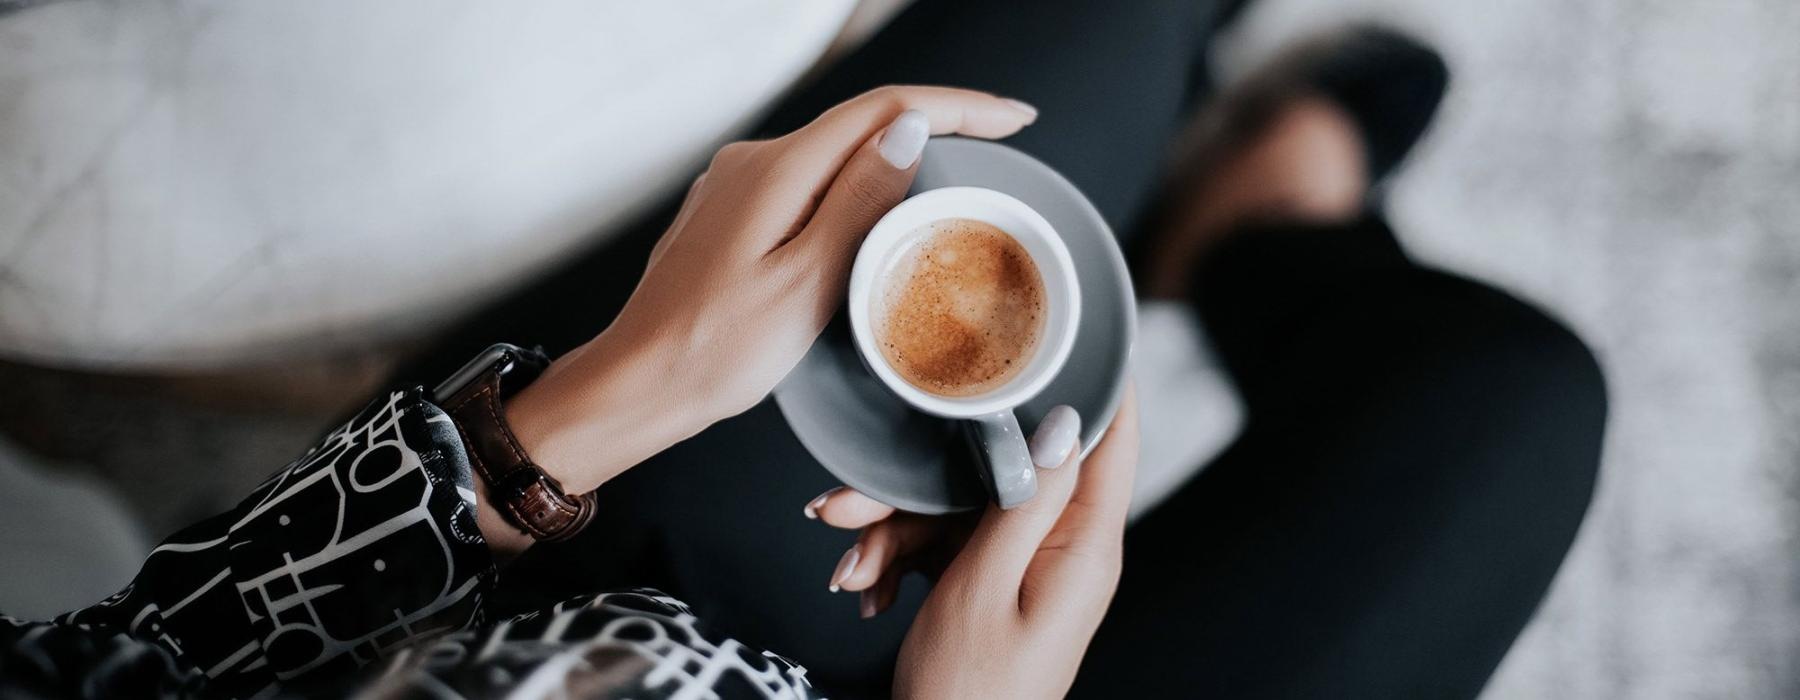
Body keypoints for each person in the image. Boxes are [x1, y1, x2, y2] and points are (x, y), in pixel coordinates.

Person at [1, 0, 1608, 698]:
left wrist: (573, 416)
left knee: (1097, 36)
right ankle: (1262, 235)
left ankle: (1218, 193)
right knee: (1513, 400)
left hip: (547, 592)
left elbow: (136, 659)